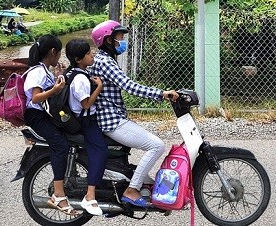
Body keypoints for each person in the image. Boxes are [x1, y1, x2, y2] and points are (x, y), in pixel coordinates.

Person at [89, 20, 178, 208]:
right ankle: (132, 189)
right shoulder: (105, 62)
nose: (122, 41)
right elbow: (129, 86)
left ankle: (141, 184)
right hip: (111, 121)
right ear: (108, 40)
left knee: (150, 147)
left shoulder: (103, 59)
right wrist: (161, 94)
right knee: (156, 146)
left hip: (114, 118)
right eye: (119, 37)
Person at [23, 35, 77, 217]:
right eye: (59, 53)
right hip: (35, 116)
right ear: (53, 52)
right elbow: (36, 97)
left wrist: (58, 77)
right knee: (60, 144)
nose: (59, 57)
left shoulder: (44, 70)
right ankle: (58, 194)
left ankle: (69, 179)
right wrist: (55, 89)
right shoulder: (36, 71)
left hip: (42, 114)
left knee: (69, 138)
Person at [65, 38, 107, 216]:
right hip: (85, 121)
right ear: (78, 59)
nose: (92, 56)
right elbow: (86, 104)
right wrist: (99, 86)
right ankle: (90, 195)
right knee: (100, 150)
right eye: (88, 54)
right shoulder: (81, 78)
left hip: (84, 118)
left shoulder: (72, 73)